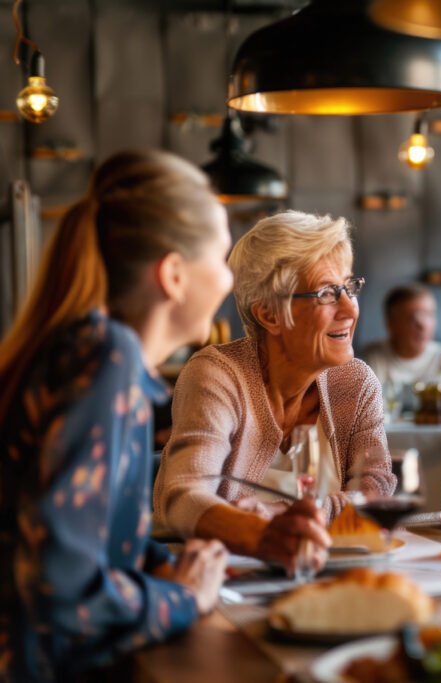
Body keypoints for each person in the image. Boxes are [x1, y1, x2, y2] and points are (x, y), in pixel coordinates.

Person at [0, 150, 231, 680]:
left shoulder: (89, 349)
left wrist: (160, 563)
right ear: (173, 274)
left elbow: (79, 532)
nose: (227, 279)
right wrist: (182, 597)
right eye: (220, 258)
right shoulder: (106, 357)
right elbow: (63, 590)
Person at [153, 210, 396, 572]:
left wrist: (273, 513)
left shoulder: (356, 382)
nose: (349, 308)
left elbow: (375, 491)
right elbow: (184, 494)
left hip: (332, 573)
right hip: (223, 579)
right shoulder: (218, 375)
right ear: (269, 314)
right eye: (328, 293)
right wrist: (273, 530)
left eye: (350, 287)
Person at [362, 284, 441, 414]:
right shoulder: (372, 358)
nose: (423, 325)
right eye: (412, 317)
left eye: (429, 315)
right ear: (390, 324)